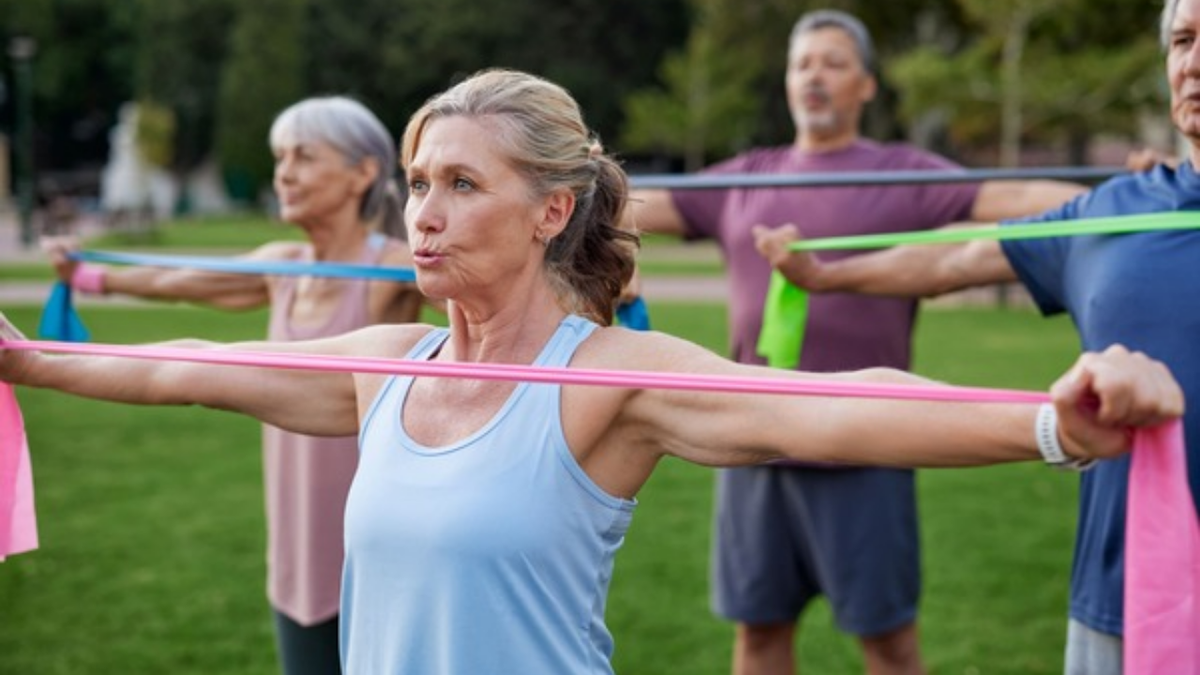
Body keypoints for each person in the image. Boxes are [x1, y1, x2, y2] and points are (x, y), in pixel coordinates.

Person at [0, 68, 1183, 675]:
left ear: (549, 210)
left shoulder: (608, 377)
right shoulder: (385, 365)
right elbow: (180, 369)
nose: (422, 212)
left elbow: (828, 413)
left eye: (462, 185)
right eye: (418, 181)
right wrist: (25, 358)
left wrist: (1054, 423)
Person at [623, 10, 1087, 675]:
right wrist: (567, 192)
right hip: (754, 445)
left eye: (833, 63)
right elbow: (632, 205)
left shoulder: (903, 172)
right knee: (757, 636)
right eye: (802, 63)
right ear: (786, 81)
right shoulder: (745, 176)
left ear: (866, 85)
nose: (815, 76)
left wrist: (1126, 198)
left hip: (871, 446)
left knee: (891, 646)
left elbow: (1013, 194)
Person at [752, 2, 1200, 672]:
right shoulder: (1112, 209)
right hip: (1127, 596)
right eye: (1183, 41)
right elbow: (954, 259)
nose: (1192, 63)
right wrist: (824, 275)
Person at [42, 96, 428, 675]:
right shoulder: (283, 266)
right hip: (296, 546)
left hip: (374, 549)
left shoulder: (395, 268)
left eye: (303, 156)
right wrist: (88, 275)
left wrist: (608, 283)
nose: (283, 174)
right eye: (279, 157)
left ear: (363, 172)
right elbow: (178, 279)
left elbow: (492, 294)